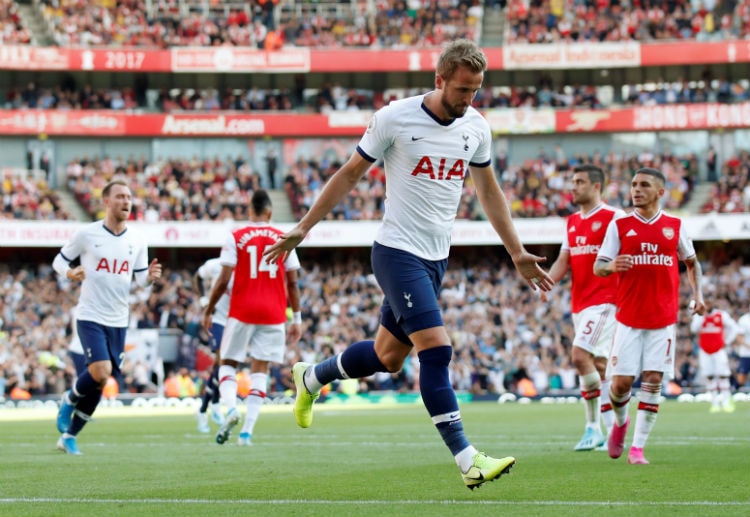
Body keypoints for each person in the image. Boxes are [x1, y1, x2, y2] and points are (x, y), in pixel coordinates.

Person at [263, 39, 553, 490]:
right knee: (436, 350)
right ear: (439, 80)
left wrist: (516, 251)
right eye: (461, 89)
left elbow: (489, 191)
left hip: (437, 258)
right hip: (397, 251)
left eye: (475, 90)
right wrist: (304, 227)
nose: (468, 99)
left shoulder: (476, 127)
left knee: (388, 357)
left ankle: (312, 376)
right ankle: (467, 459)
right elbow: (350, 174)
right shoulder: (394, 117)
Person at [594, 167, 705, 465]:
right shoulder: (619, 225)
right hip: (628, 318)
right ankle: (620, 423)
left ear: (660, 192)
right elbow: (598, 266)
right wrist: (613, 265)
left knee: (654, 380)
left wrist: (698, 296)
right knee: (620, 386)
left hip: (663, 319)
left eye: (644, 185)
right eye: (633, 184)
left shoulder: (675, 225)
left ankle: (638, 448)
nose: (636, 190)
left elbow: (692, 264)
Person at [53, 178, 162, 455]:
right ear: (106, 202)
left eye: (128, 197)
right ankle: (69, 398)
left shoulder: (137, 239)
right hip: (90, 315)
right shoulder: (87, 234)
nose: (126, 201)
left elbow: (139, 280)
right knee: (100, 371)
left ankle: (69, 436)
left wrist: (149, 278)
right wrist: (69, 272)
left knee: (103, 381)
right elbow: (60, 260)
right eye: (120, 196)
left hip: (118, 319)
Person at [202, 189, 302, 446]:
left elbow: (223, 279)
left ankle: (231, 408)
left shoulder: (236, 236)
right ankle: (246, 433)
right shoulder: (284, 237)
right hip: (274, 313)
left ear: (249, 211)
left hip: (242, 310)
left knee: (227, 363)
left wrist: (209, 308)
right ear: (269, 212)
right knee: (260, 369)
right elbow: (292, 283)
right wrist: (297, 319)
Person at [546, 164, 622, 451]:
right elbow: (563, 260)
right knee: (599, 369)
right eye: (572, 182)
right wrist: (547, 283)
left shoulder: (615, 218)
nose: (572, 187)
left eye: (579, 182)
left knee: (580, 356)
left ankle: (593, 428)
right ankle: (614, 428)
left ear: (596, 186)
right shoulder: (572, 222)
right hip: (580, 304)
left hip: (606, 302)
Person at [193, 257, 230, 433]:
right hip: (217, 319)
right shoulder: (215, 265)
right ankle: (207, 409)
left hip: (236, 322)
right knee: (222, 361)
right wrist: (203, 299)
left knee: (223, 365)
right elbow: (197, 277)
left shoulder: (247, 267)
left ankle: (209, 405)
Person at [689, 300, 739, 413]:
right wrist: (701, 316)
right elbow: (693, 329)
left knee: (723, 375)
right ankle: (715, 403)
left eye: (709, 303)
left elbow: (734, 328)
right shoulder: (700, 317)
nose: (707, 306)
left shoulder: (721, 315)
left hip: (719, 350)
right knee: (710, 376)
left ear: (712, 304)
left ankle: (726, 403)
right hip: (705, 350)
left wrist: (727, 341)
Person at [734, 311, 750, 389]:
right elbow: (739, 338)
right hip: (746, 354)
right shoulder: (744, 320)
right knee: (742, 377)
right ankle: (733, 393)